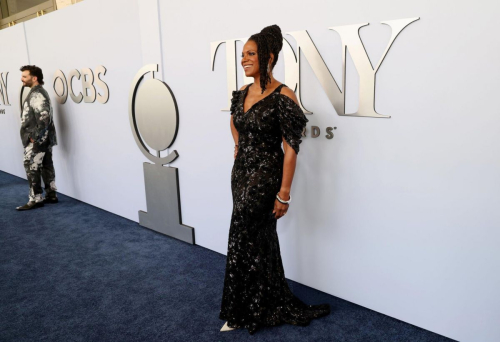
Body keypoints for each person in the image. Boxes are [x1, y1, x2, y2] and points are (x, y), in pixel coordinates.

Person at [219, 25, 331, 335]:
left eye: (251, 54)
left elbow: (291, 148)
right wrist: (240, 147)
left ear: (269, 57)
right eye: (243, 55)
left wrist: (284, 193)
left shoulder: (284, 95)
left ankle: (242, 310)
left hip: (267, 175)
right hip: (240, 174)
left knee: (242, 235)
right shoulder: (242, 93)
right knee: (260, 239)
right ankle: (263, 302)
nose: (244, 59)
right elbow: (234, 122)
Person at [16, 65, 58, 211]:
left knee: (31, 166)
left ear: (34, 78)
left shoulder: (37, 94)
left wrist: (34, 137)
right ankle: (51, 194)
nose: (22, 79)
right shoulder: (37, 93)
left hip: (38, 140)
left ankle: (36, 198)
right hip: (45, 139)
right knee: (46, 165)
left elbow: (44, 117)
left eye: (25, 76)